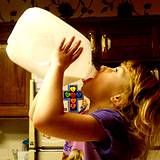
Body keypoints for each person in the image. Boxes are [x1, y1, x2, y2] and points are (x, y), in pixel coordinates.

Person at [29, 36, 160, 160]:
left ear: (118, 98)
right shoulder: (86, 113)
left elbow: (45, 120)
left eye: (115, 71)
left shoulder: (111, 121)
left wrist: (57, 67)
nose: (103, 67)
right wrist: (60, 77)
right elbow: (35, 113)